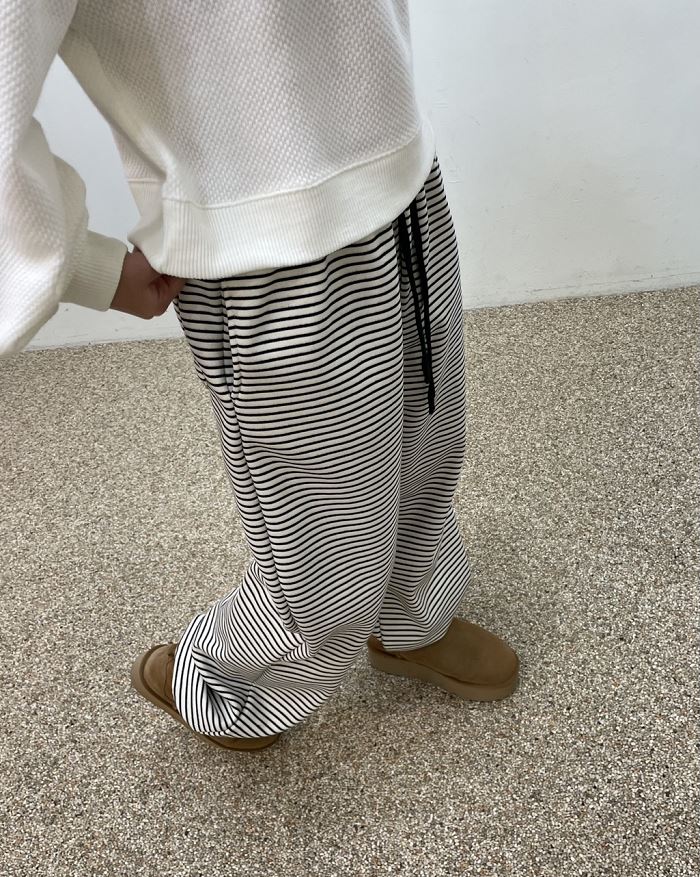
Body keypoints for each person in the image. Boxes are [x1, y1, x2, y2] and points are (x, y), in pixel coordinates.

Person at [1, 0, 519, 751]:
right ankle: (225, 680)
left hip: (401, 182)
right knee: (324, 529)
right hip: (265, 250)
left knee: (426, 453)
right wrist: (84, 264)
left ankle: (413, 616)